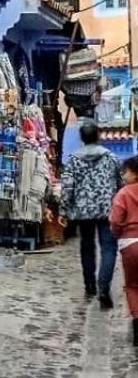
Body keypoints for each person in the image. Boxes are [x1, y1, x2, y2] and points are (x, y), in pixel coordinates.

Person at [61, 120, 123, 308]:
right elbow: (120, 184)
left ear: (81, 138)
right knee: (109, 248)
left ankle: (89, 285)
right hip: (106, 209)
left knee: (87, 247)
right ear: (98, 136)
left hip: (83, 211)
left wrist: (63, 210)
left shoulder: (73, 159)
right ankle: (104, 286)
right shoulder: (111, 158)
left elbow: (67, 187)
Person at [110, 156, 138, 346]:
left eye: (126, 171)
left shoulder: (124, 193)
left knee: (133, 286)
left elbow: (115, 220)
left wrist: (117, 234)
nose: (123, 175)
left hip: (131, 244)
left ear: (134, 173)